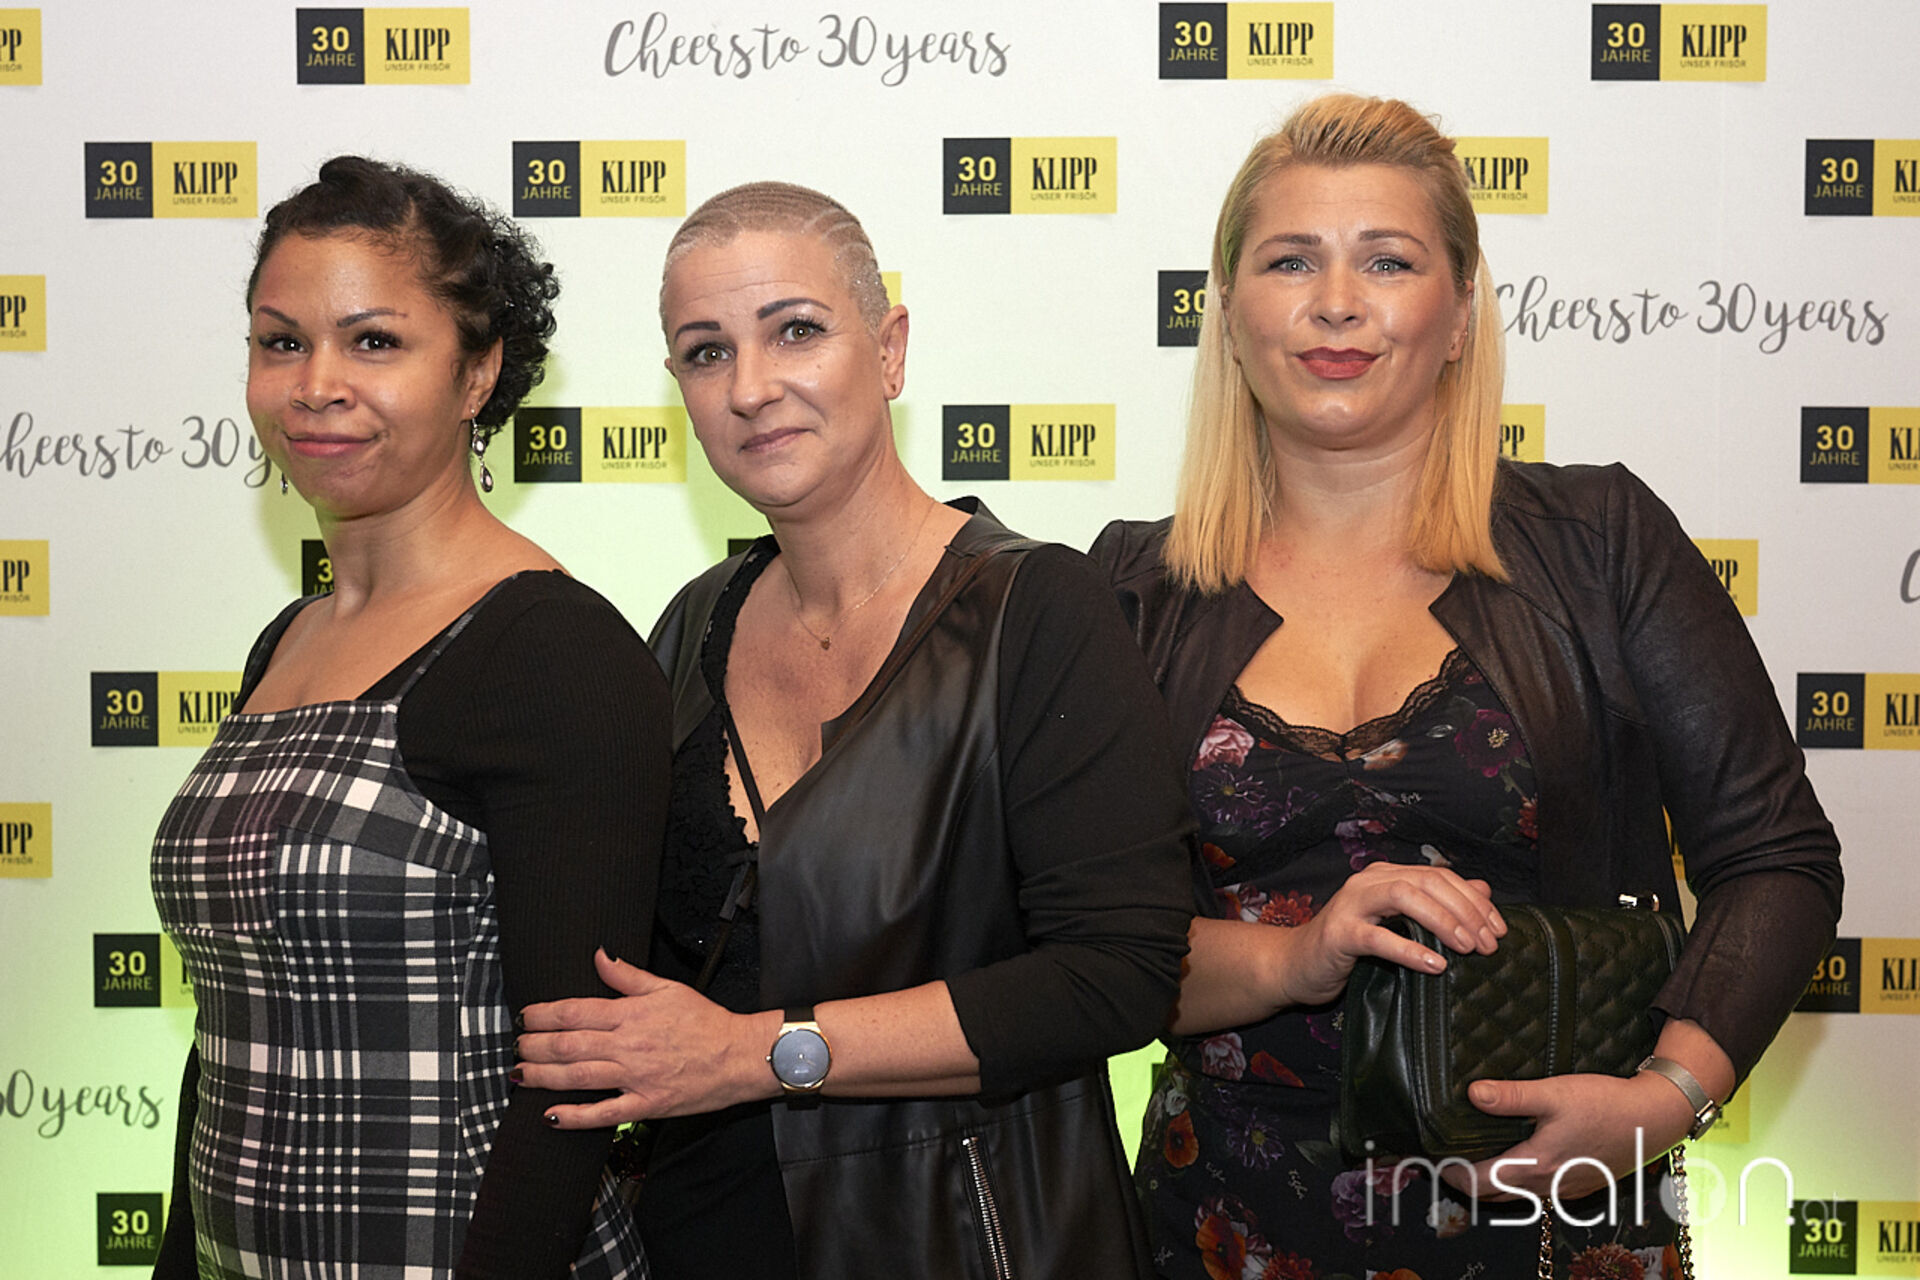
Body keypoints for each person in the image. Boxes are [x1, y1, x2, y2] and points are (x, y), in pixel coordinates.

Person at [1092, 94, 1843, 1279]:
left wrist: (1665, 1098)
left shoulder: (1598, 541)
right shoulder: (1134, 589)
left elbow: (1778, 859)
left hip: (1550, 1221)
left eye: (1388, 260)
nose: (1338, 300)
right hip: (1223, 1227)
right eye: (1291, 260)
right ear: (1228, 313)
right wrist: (1296, 953)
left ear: (1457, 315)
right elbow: (1090, 948)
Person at [509, 181, 1194, 1279]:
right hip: (699, 1237)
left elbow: (1118, 973)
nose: (751, 386)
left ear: (889, 350)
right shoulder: (688, 626)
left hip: (969, 1237)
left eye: (795, 330)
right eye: (706, 351)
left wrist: (755, 1052)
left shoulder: (1036, 609)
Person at [148, 156, 666, 1280]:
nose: (316, 384)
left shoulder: (552, 648)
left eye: (374, 341)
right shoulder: (285, 641)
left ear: (478, 372)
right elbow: (229, 1029)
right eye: (281, 342)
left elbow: (574, 1080)